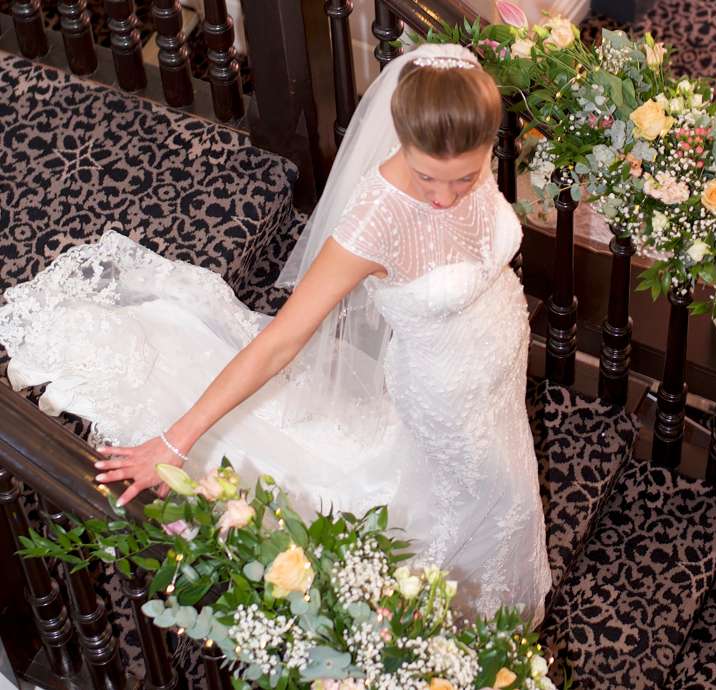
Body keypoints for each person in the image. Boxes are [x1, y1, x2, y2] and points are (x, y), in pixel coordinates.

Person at [0, 43, 551, 622]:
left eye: (463, 178)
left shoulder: (465, 140)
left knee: (506, 477)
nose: (444, 197)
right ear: (401, 141)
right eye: (426, 177)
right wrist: (175, 441)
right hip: (442, 391)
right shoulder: (373, 223)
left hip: (499, 353)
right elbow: (281, 342)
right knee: (474, 492)